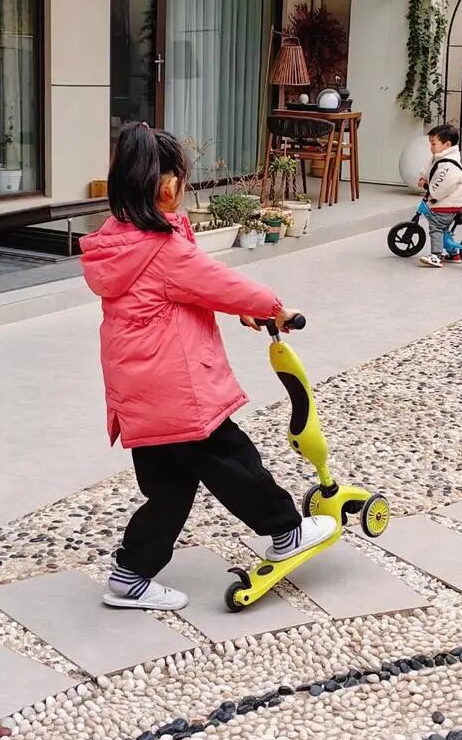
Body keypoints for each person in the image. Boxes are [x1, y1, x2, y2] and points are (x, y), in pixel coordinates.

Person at [81, 123, 334, 611]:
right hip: (179, 393)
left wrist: (237, 310)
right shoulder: (162, 247)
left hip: (140, 393)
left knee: (169, 490)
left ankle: (130, 576)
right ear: (166, 186)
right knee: (233, 459)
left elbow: (188, 288)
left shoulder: (120, 241)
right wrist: (274, 308)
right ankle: (286, 531)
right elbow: (218, 281)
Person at [416, 122, 462, 268]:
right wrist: (423, 176)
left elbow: (442, 186)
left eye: (433, 144)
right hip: (449, 201)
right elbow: (430, 168)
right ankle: (453, 253)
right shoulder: (439, 157)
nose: (431, 147)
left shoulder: (448, 165)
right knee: (443, 227)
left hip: (450, 202)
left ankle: (436, 255)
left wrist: (428, 187)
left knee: (436, 226)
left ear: (447, 144)